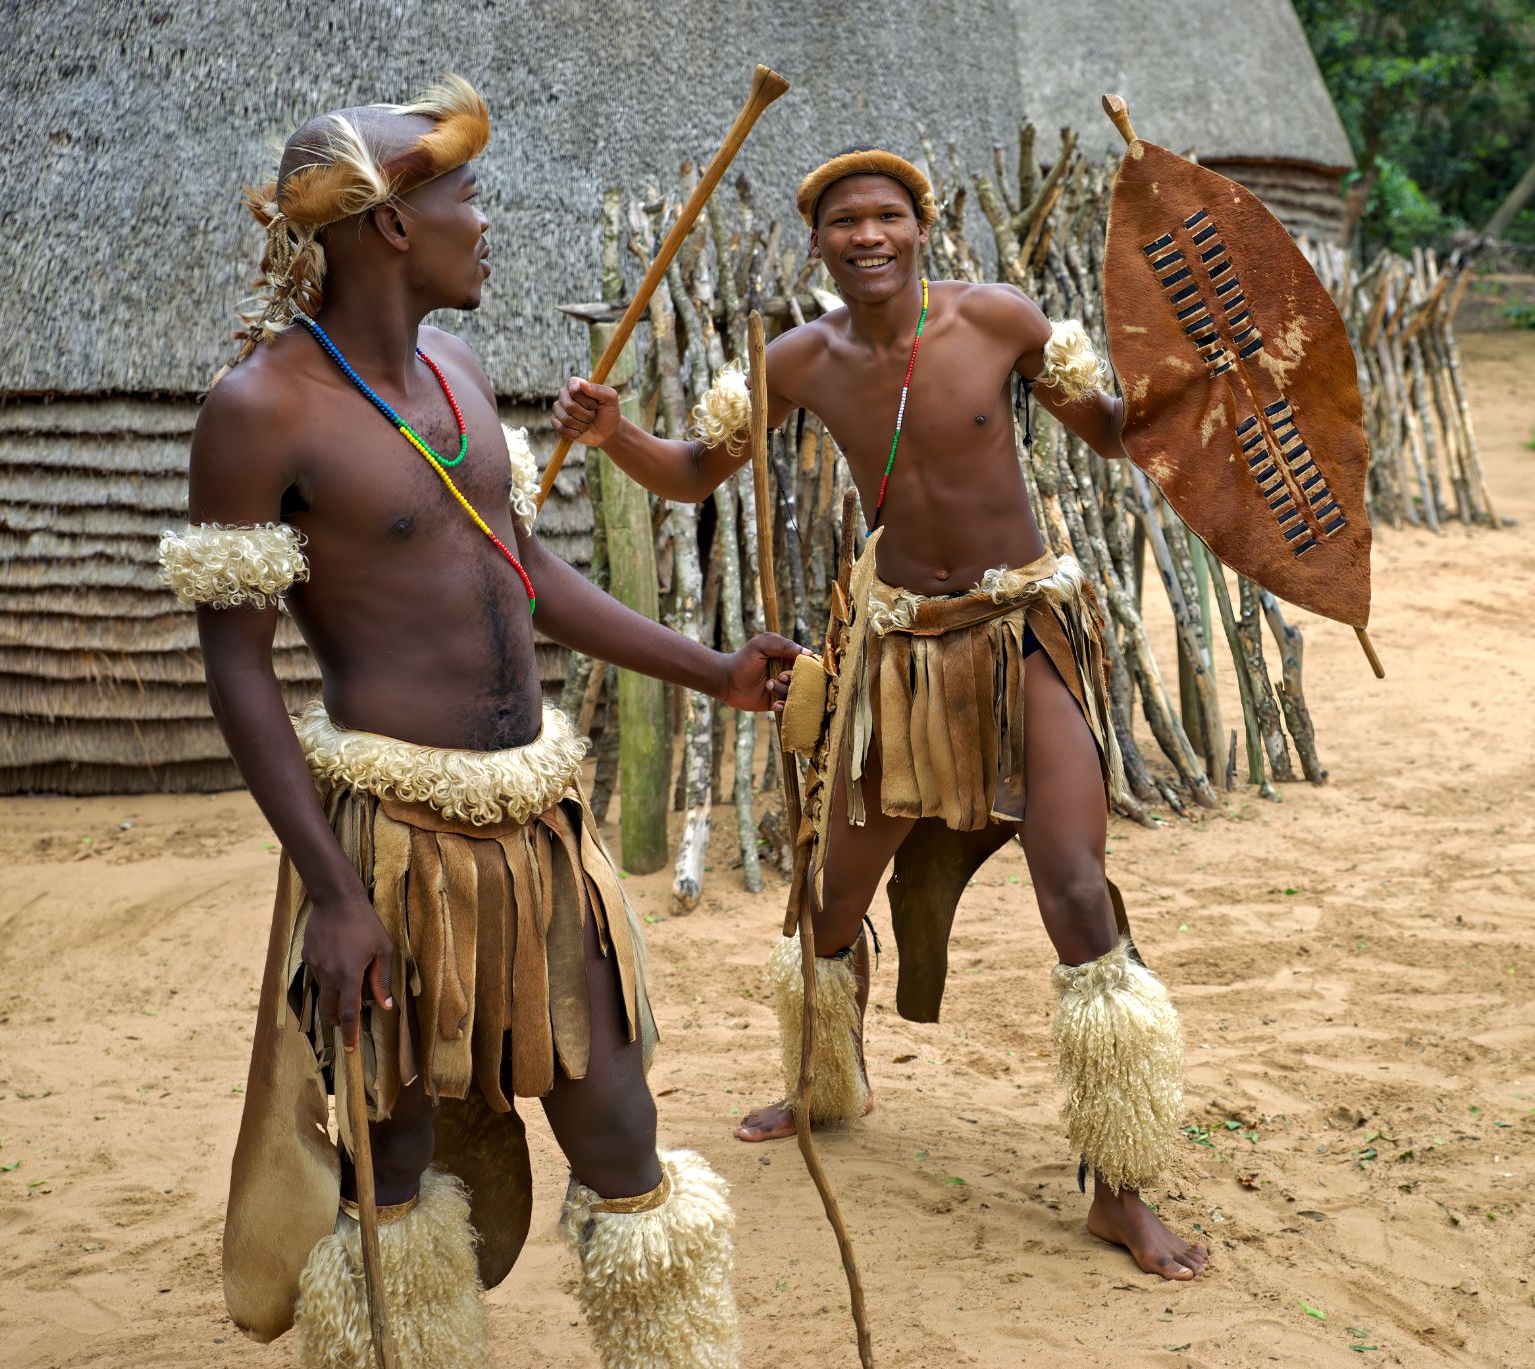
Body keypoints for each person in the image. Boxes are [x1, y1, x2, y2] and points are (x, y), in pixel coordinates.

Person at [165, 76, 795, 1366]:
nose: (484, 220)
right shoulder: (260, 412)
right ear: (391, 225)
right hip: (393, 840)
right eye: (464, 196)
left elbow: (524, 574)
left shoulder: (455, 368)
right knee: (391, 1169)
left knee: (621, 1127)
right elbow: (236, 669)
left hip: (539, 824)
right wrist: (333, 891)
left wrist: (710, 666)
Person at [550, 148, 1206, 1281]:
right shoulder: (794, 360)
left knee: (1077, 883)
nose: (868, 236)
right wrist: (614, 436)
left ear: (921, 228)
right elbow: (698, 471)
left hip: (1025, 630)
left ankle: (1119, 1183)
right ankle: (822, 1085)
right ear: (818, 243)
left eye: (887, 217)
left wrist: (1175, 390)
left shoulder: (998, 319)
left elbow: (1104, 427)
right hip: (899, 648)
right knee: (831, 895)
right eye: (844, 222)